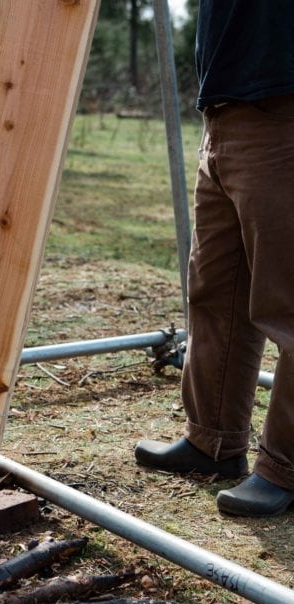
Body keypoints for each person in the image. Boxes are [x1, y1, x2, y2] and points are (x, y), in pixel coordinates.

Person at [135, 0, 294, 517]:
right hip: (224, 112)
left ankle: (285, 468)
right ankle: (213, 440)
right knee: (215, 291)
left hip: (284, 112)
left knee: (286, 302)